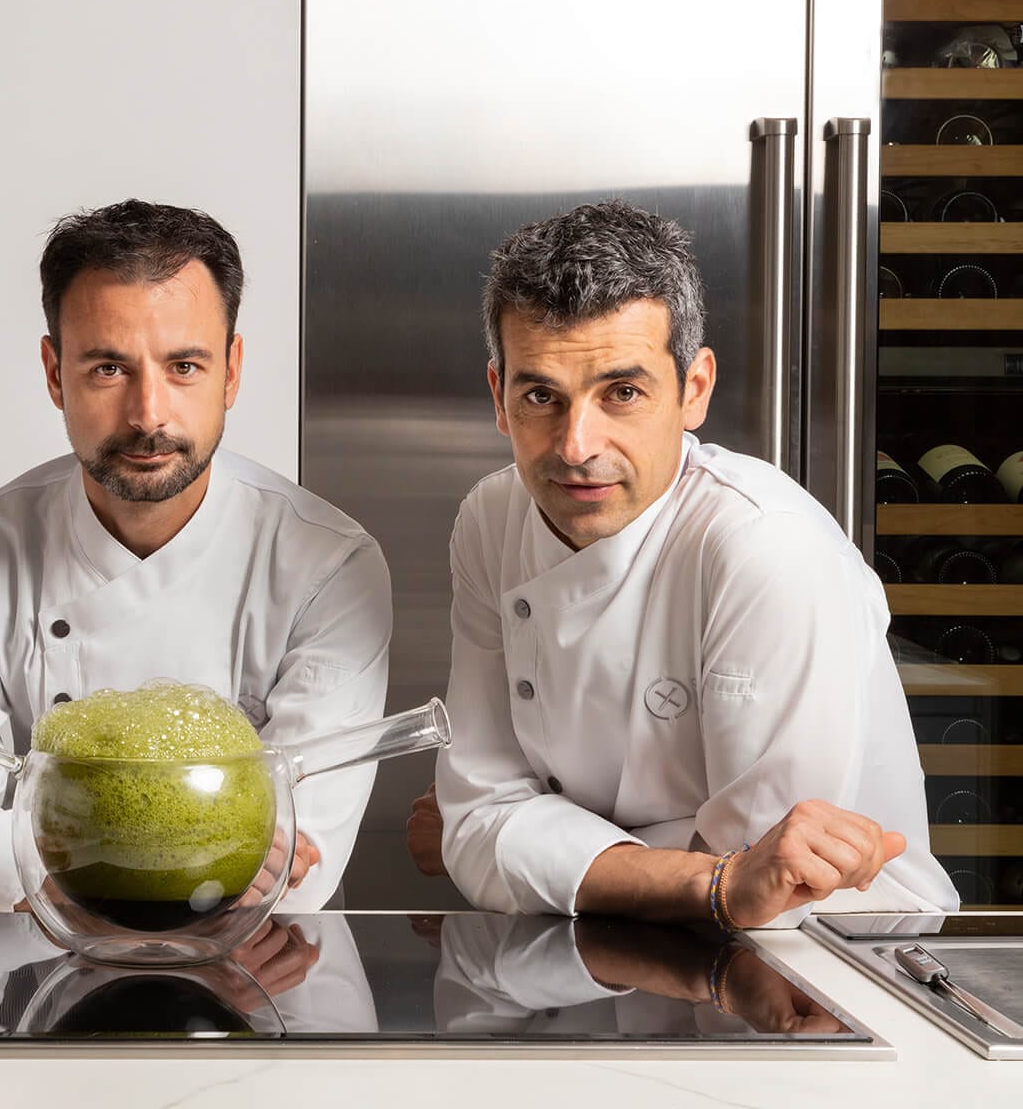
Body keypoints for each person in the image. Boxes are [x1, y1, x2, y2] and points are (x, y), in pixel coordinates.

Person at [408, 200, 957, 928]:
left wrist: (538, 838)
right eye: (542, 395)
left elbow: (772, 889)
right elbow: (480, 820)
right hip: (602, 953)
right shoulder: (490, 519)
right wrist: (695, 868)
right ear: (499, 398)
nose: (576, 446)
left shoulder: (766, 548)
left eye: (623, 392)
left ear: (693, 389)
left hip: (842, 960)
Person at [0, 199, 392, 913]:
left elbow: (297, 868)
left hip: (250, 991)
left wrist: (57, 855)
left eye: (184, 366)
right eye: (107, 369)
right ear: (55, 372)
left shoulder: (327, 565)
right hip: (24, 980)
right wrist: (179, 856)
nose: (149, 414)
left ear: (233, 370)